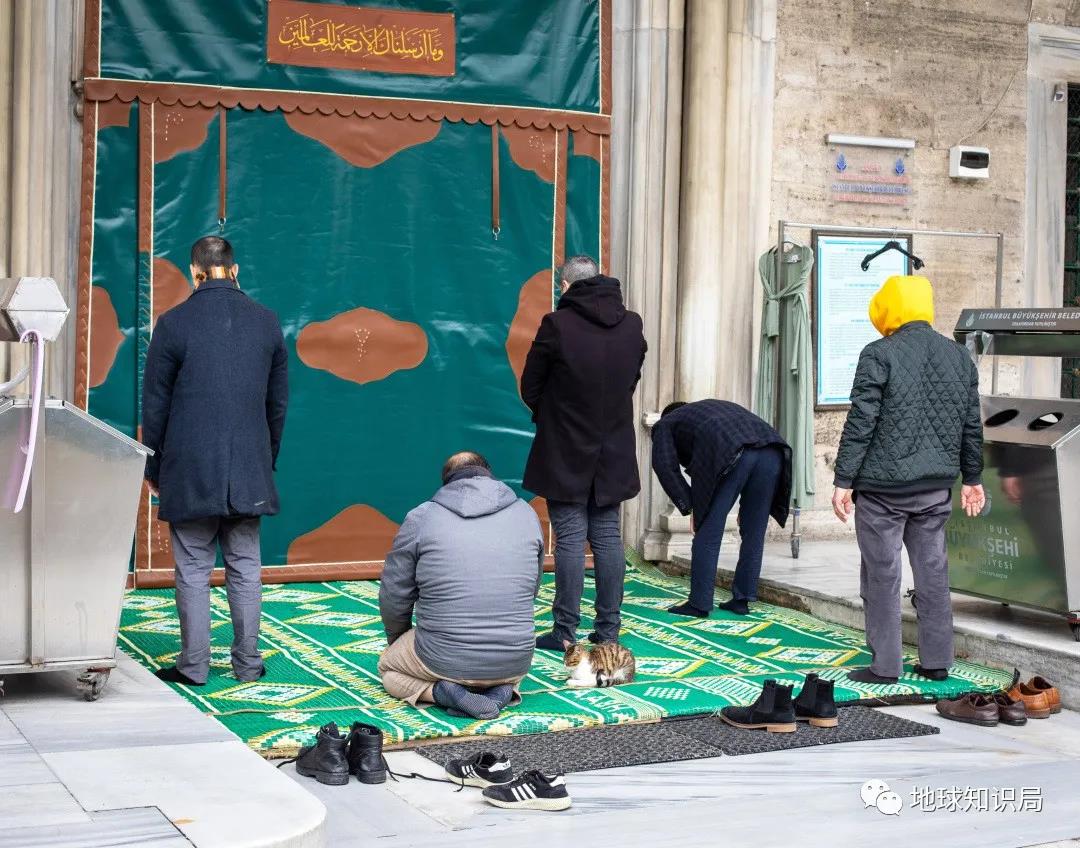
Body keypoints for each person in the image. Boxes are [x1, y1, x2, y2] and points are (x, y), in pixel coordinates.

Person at [142, 236, 288, 686]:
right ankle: (248, 665)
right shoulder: (266, 322)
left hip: (189, 469)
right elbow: (277, 405)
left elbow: (155, 406)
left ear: (194, 271)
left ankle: (194, 667)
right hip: (249, 468)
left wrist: (155, 468)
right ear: (235, 270)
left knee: (192, 568)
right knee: (245, 567)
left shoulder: (172, 324)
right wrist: (264, 460)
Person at [832, 275, 984, 685]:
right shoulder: (959, 357)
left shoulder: (878, 353)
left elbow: (862, 421)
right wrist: (972, 477)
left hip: (882, 491)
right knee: (933, 573)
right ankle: (936, 662)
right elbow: (972, 424)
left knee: (881, 575)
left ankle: (885, 667)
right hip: (935, 489)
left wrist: (843, 479)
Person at [520, 255, 647, 651]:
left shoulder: (557, 324)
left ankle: (564, 631)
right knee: (607, 536)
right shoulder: (632, 324)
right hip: (614, 447)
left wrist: (554, 416)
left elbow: (530, 385)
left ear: (566, 286)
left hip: (565, 446)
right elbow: (632, 376)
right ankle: (608, 630)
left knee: (571, 539)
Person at [378, 452, 544, 720]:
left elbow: (395, 593)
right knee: (505, 666)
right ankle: (503, 690)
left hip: (441, 658)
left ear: (447, 482)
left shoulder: (422, 516)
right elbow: (532, 589)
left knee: (388, 670)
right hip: (516, 657)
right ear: (489, 474)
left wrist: (397, 639)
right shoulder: (527, 513)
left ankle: (442, 692)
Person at [651, 400, 792, 618]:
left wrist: (691, 506)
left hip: (734, 452)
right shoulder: (708, 412)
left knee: (708, 532)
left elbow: (665, 466)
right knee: (753, 532)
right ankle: (742, 599)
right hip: (773, 451)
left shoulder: (665, 423)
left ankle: (699, 604)